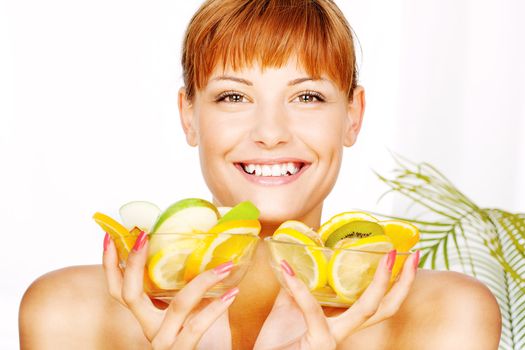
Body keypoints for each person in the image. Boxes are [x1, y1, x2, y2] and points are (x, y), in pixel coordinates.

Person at [19, 0, 502, 349]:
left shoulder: (444, 315)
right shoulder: (70, 313)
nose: (270, 133)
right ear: (189, 115)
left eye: (307, 96)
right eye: (234, 96)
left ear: (353, 114)